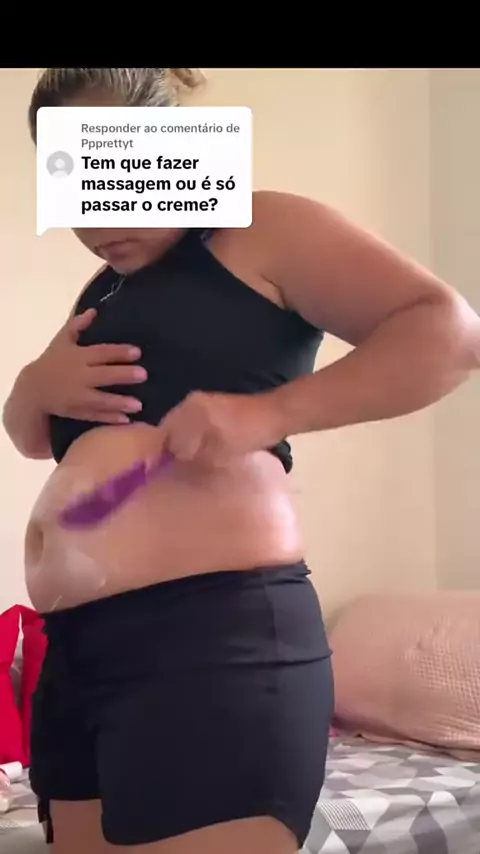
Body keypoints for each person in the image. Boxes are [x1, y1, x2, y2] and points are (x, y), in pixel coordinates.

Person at [3, 67, 479, 854]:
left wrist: (268, 414)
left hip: (210, 642)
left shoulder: (261, 229)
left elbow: (450, 334)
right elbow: (31, 436)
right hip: (80, 653)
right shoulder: (103, 291)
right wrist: (32, 386)